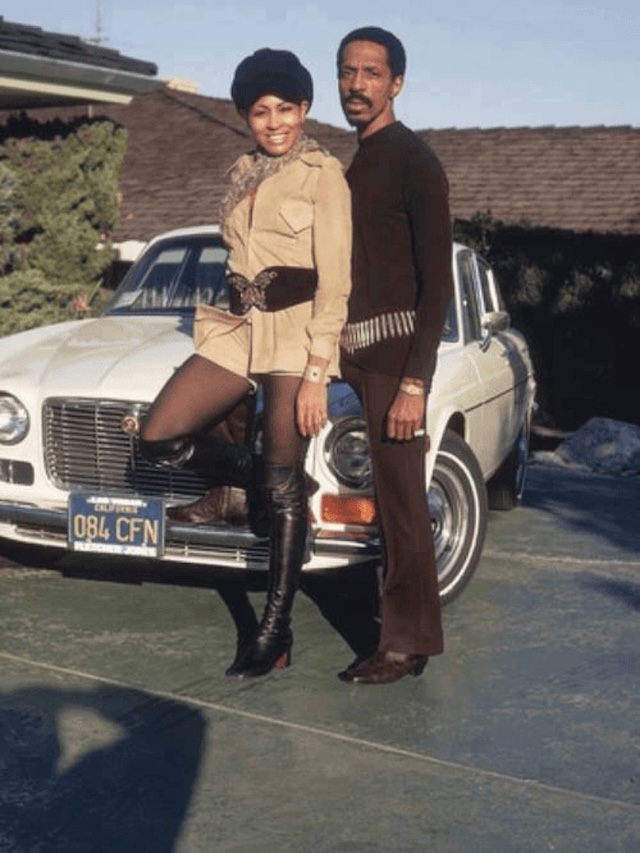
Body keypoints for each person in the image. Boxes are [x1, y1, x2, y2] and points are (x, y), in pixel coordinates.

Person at [138, 48, 352, 678]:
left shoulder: (323, 176)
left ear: (305, 109)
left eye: (286, 108)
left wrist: (317, 370)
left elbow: (336, 282)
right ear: (245, 116)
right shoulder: (241, 172)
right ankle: (266, 474)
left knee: (285, 489)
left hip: (296, 334)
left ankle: (274, 630)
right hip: (238, 327)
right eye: (261, 111)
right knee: (158, 435)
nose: (275, 121)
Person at [336, 26, 454, 684]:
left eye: (371, 73)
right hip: (344, 351)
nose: (357, 84)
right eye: (348, 72)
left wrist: (416, 380)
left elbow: (435, 280)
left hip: (393, 361)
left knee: (403, 503)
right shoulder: (351, 164)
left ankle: (406, 646)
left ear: (396, 83)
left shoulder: (416, 162)